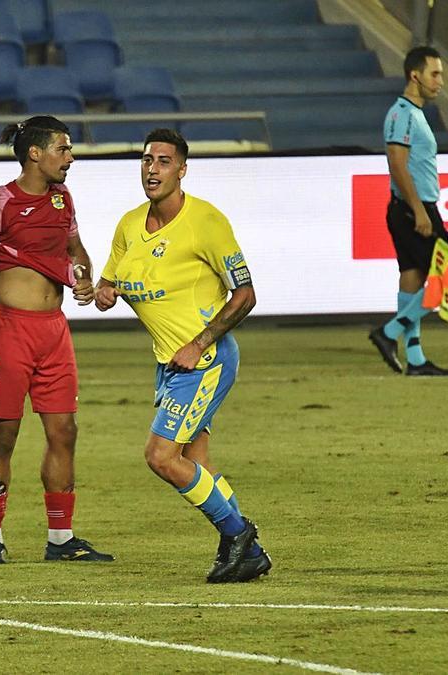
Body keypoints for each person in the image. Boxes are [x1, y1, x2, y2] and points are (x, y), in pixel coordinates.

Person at [94, 128, 270, 583]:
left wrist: (199, 342)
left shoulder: (206, 221)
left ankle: (238, 535)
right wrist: (102, 291)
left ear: (183, 170)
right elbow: (111, 281)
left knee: (160, 456)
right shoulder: (130, 224)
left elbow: (246, 294)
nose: (152, 169)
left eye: (164, 161)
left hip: (205, 360)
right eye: (147, 160)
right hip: (169, 363)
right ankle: (249, 549)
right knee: (199, 463)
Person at [0, 115, 113, 565]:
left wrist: (82, 275)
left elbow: (74, 250)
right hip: (8, 331)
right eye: (63, 149)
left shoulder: (63, 199)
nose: (70, 157)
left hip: (54, 331)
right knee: (3, 436)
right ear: (35, 154)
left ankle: (60, 540)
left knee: (64, 431)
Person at [368, 45, 448, 377]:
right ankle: (387, 334)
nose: (440, 82)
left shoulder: (413, 113)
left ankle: (415, 359)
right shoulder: (401, 113)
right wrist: (419, 211)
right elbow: (397, 164)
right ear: (414, 75)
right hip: (412, 208)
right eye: (435, 74)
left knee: (414, 278)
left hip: (413, 206)